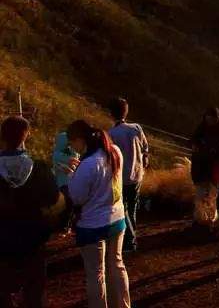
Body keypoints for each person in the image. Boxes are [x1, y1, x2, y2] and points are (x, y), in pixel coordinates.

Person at [0, 116, 64, 308]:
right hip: (33, 240)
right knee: (34, 294)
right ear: (26, 135)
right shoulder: (40, 169)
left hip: (1, 241)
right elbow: (55, 200)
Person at [67, 119, 130, 308]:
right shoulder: (114, 152)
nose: (72, 147)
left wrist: (72, 174)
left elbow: (77, 198)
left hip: (93, 225)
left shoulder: (88, 164)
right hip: (117, 218)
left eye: (72, 143)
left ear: (80, 140)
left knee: (96, 274)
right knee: (117, 266)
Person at [107, 98, 149, 253]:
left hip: (121, 178)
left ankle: (129, 241)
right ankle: (131, 237)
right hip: (137, 175)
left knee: (122, 209)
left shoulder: (111, 134)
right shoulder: (136, 128)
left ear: (111, 114)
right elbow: (145, 148)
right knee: (132, 208)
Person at [189, 107, 219, 228]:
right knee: (201, 194)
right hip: (201, 166)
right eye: (207, 118)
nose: (209, 120)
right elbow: (193, 141)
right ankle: (200, 219)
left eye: (211, 118)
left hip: (214, 166)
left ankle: (211, 220)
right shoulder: (201, 128)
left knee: (212, 194)